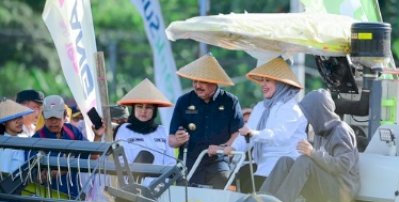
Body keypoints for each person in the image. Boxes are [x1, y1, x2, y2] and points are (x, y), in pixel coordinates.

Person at [260, 89, 360, 202]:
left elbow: (343, 166)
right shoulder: (320, 132)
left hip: (341, 193)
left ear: (319, 113)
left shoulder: (341, 131)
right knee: (285, 161)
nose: (307, 119)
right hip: (326, 188)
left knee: (305, 161)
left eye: (309, 114)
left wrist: (312, 153)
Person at [168, 54, 244, 188]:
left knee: (225, 182)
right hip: (188, 162)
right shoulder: (183, 101)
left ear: (215, 81)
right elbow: (171, 140)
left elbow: (237, 134)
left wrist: (222, 148)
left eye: (202, 81)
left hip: (218, 162)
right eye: (194, 81)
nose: (197, 85)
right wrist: (178, 139)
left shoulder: (230, 101)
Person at [233, 57, 307, 193]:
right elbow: (246, 135)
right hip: (261, 168)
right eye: (262, 80)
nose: (263, 85)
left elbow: (280, 135)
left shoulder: (291, 108)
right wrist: (231, 148)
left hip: (283, 171)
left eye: (268, 80)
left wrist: (253, 134)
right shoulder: (260, 107)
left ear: (281, 83)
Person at [115, 78, 175, 167]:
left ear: (154, 110)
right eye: (139, 106)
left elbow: (170, 163)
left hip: (160, 180)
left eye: (148, 107)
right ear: (133, 109)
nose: (143, 111)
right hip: (131, 180)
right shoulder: (124, 130)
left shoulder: (163, 131)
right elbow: (121, 162)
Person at [0, 99, 33, 174]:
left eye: (20, 117)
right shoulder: (4, 146)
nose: (19, 121)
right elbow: (3, 174)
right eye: (14, 118)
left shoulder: (24, 138)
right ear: (4, 122)